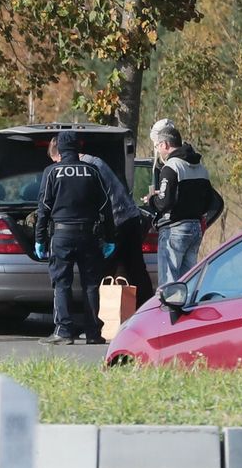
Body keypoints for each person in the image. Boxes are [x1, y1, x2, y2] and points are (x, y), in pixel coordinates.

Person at [35, 130, 115, 345]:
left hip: (61, 235)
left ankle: (63, 331)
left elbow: (43, 208)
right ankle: (93, 333)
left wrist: (40, 238)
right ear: (78, 148)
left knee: (62, 284)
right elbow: (106, 206)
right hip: (89, 235)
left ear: (59, 149)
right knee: (91, 285)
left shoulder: (52, 172)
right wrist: (109, 237)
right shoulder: (92, 171)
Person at [68, 139, 155, 307]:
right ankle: (145, 311)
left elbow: (95, 200)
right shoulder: (95, 162)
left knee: (102, 272)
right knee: (135, 270)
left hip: (116, 222)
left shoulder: (87, 167)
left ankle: (100, 320)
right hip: (129, 218)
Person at [144, 118, 219, 285]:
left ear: (164, 144)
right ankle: (186, 310)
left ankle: (167, 310)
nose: (158, 151)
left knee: (169, 283)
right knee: (187, 281)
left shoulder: (171, 167)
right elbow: (209, 201)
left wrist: (152, 200)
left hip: (175, 228)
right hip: (195, 229)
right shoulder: (201, 168)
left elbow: (164, 203)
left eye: (157, 146)